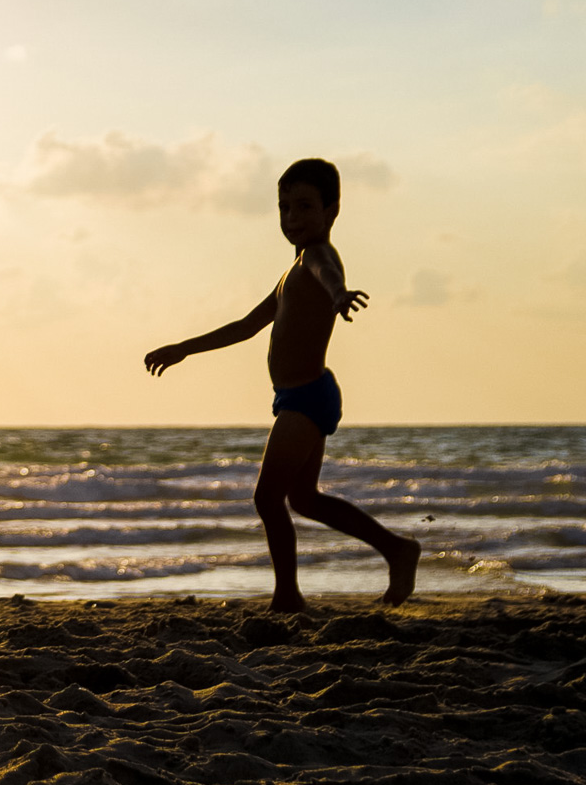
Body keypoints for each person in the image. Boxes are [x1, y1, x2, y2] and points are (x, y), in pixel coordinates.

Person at [144, 158, 419, 613]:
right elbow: (247, 325)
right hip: (297, 397)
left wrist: (338, 296)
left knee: (267, 497)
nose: (293, 218)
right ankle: (396, 549)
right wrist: (184, 348)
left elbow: (330, 277)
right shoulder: (290, 271)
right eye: (284, 208)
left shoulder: (317, 258)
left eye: (305, 207)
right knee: (303, 498)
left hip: (308, 397)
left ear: (332, 210)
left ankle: (287, 596)